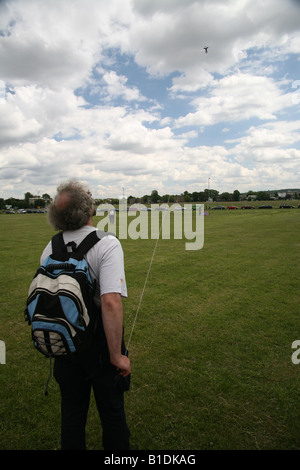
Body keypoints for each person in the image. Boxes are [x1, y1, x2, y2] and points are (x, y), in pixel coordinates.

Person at [41, 179, 131, 450]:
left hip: (63, 344)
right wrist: (117, 357)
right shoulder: (107, 243)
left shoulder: (51, 246)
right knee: (112, 413)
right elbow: (111, 302)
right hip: (99, 348)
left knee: (72, 415)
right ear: (89, 209)